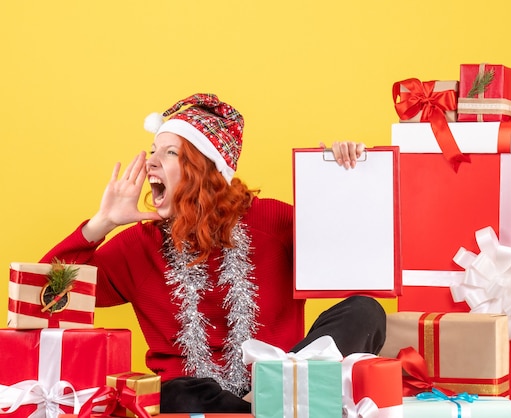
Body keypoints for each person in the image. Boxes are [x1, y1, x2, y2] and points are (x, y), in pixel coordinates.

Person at [40, 93, 386, 413]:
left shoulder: (273, 222)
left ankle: (271, 393)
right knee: (173, 393)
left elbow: (354, 258)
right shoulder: (138, 246)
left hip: (281, 375)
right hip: (198, 397)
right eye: (153, 150)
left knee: (365, 310)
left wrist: (336, 180)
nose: (150, 162)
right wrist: (101, 224)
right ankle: (263, 408)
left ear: (206, 169)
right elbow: (46, 297)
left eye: (169, 153)